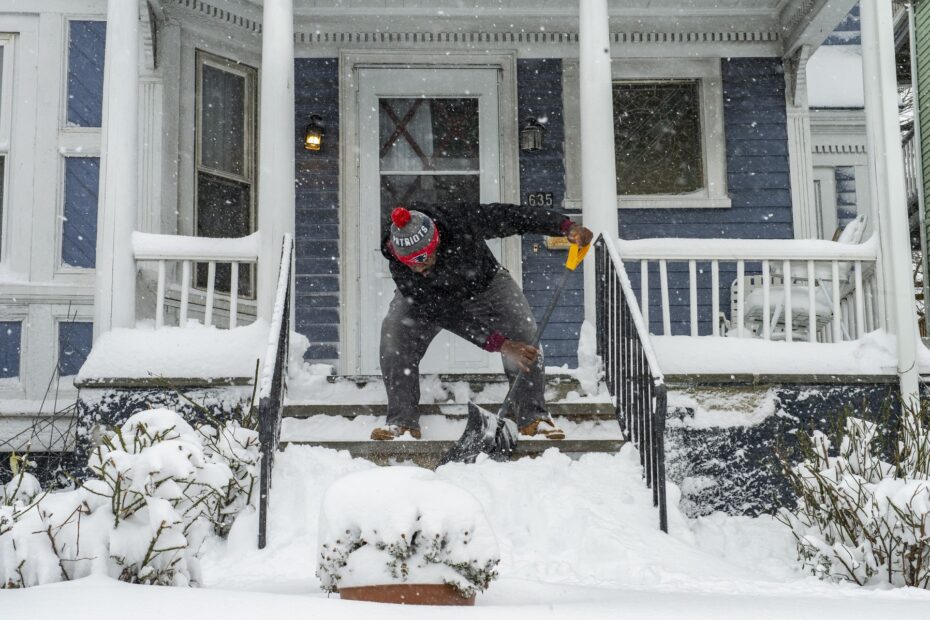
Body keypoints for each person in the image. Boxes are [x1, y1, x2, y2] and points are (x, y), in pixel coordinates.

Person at [370, 202, 593, 441]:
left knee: (524, 335)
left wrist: (564, 226)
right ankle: (401, 423)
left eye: (423, 258)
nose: (418, 267)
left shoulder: (460, 220)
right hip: (430, 300)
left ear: (435, 241)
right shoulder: (401, 265)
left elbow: (513, 216)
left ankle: (533, 418)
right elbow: (446, 313)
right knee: (395, 338)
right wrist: (500, 344)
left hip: (486, 285)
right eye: (410, 261)